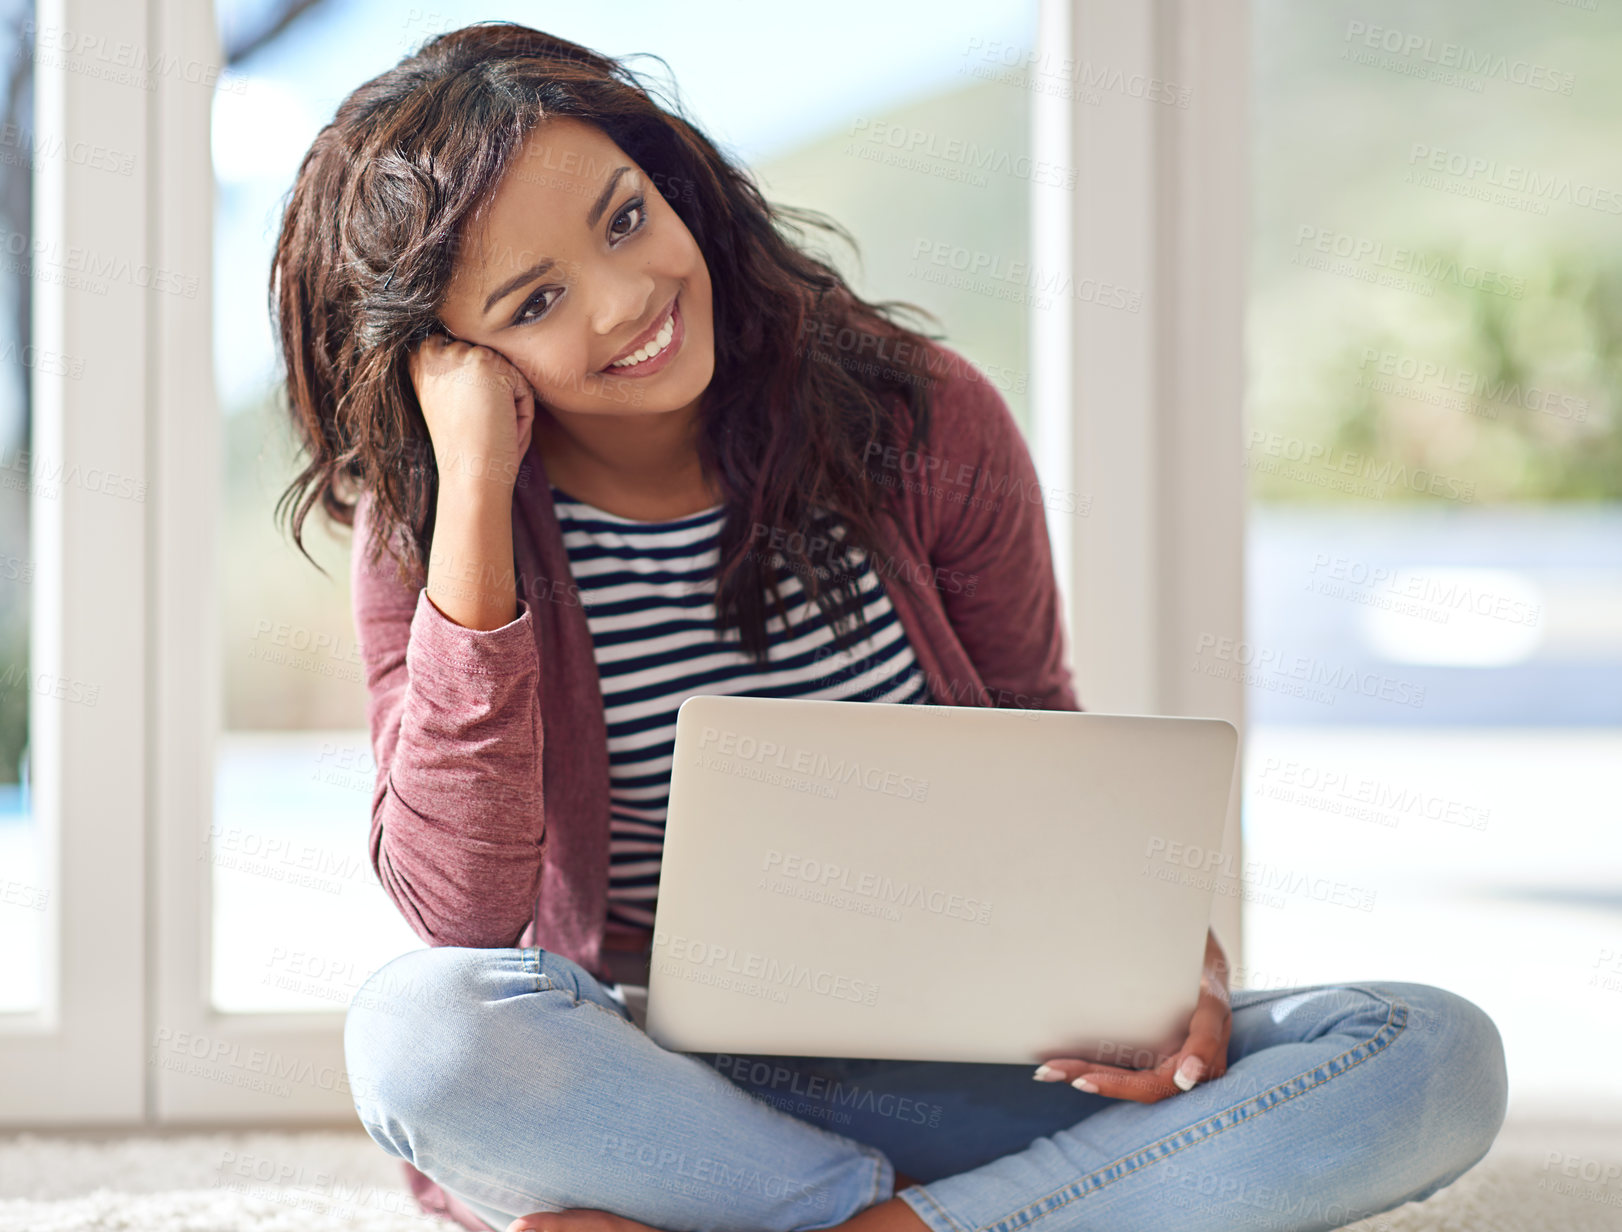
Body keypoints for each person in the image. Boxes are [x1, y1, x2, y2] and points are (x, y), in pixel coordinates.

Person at [269, 22, 1508, 1232]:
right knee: (418, 1031)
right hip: (675, 1091)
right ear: (442, 358)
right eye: (535, 299)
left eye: (625, 217)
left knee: (1427, 1051)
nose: (625, 297)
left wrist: (1157, 967)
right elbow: (459, 915)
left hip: (970, 1054)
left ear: (674, 180)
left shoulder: (919, 418)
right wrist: (474, 494)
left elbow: (1038, 737)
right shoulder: (440, 538)